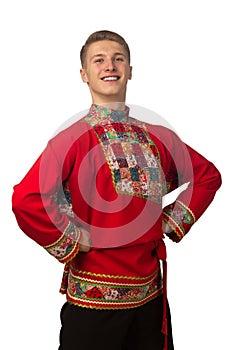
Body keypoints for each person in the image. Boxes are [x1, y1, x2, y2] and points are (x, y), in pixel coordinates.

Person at [12, 30, 222, 350]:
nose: (110, 65)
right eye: (99, 60)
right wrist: (71, 237)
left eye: (118, 58)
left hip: (150, 296)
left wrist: (172, 220)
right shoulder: (71, 139)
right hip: (94, 304)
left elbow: (207, 175)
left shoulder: (157, 136)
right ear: (84, 74)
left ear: (130, 70)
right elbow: (26, 200)